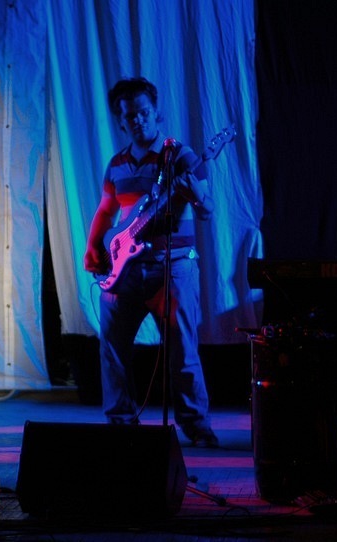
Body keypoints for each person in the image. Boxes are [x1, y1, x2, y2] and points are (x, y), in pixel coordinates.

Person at [83, 77, 219, 447]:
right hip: (124, 270)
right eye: (131, 115)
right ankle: (120, 422)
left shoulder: (182, 157)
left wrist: (197, 195)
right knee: (111, 349)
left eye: (144, 112)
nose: (139, 120)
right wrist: (93, 247)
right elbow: (106, 210)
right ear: (121, 121)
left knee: (182, 351)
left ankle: (196, 427)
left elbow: (207, 210)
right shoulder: (116, 165)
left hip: (172, 269)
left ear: (156, 112)